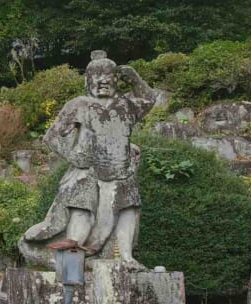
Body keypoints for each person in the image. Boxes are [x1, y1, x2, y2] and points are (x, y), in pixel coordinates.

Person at [18, 51, 154, 269]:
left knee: (128, 208)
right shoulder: (79, 104)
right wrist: (74, 157)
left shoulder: (125, 105)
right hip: (87, 171)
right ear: (88, 80)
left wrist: (135, 79)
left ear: (116, 80)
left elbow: (148, 99)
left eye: (109, 76)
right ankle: (72, 260)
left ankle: (126, 258)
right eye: (97, 77)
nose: (104, 81)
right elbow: (52, 137)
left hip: (121, 170)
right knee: (82, 211)